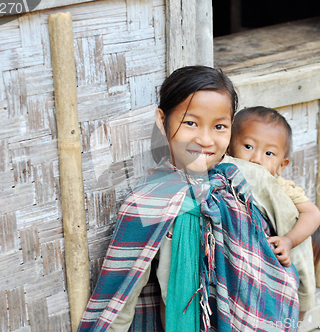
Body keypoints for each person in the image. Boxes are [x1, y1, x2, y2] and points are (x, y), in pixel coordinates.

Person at [77, 66, 300, 332]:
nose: (205, 139)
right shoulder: (147, 201)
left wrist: (302, 302)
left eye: (219, 126)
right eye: (190, 123)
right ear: (162, 120)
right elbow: (122, 294)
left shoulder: (250, 179)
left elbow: (292, 240)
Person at [228, 106, 320, 320]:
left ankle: (295, 319)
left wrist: (289, 241)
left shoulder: (281, 185)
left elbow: (313, 214)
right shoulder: (226, 172)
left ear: (282, 165)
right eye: (248, 146)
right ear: (230, 147)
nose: (257, 159)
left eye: (269, 153)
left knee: (302, 276)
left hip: (282, 249)